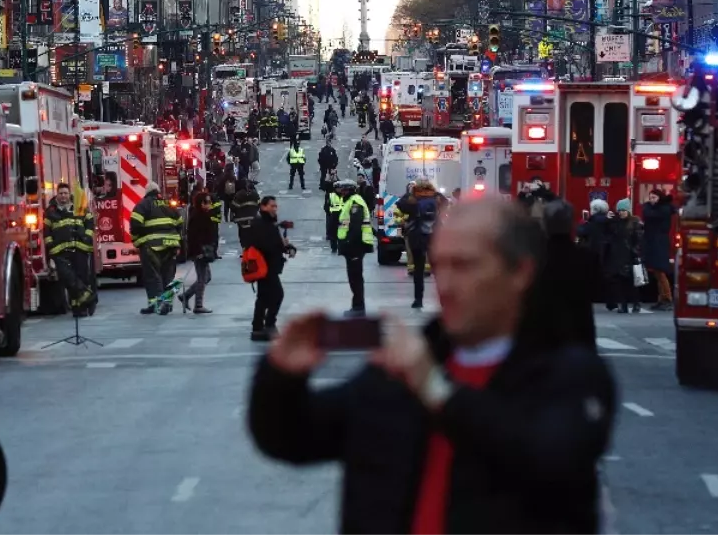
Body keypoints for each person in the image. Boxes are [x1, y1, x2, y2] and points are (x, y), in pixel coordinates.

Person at [248, 199, 616, 535]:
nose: (447, 283)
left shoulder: (566, 373)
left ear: (519, 272)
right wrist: (282, 376)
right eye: (439, 264)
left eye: (465, 265)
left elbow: (548, 458)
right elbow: (291, 437)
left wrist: (433, 388)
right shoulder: (399, 374)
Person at [536, 199, 598, 349]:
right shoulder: (586, 256)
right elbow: (599, 290)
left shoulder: (535, 257)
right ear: (572, 225)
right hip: (580, 333)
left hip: (542, 335)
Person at [130, 182, 183, 314]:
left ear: (146, 193)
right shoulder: (168, 205)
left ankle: (157, 304)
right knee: (169, 277)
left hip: (151, 246)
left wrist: (137, 242)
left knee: (153, 277)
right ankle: (168, 303)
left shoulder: (143, 205)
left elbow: (135, 225)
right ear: (158, 192)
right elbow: (180, 223)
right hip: (170, 245)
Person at [43, 183, 96, 313]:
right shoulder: (50, 211)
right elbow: (46, 231)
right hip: (60, 251)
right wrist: (51, 246)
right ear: (57, 195)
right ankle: (88, 295)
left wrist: (87, 236)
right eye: (61, 193)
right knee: (68, 279)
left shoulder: (79, 207)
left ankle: (79, 309)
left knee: (81, 276)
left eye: (65, 193)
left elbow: (90, 221)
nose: (63, 196)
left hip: (80, 248)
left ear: (69, 194)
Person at [249, 195, 296, 341]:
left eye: (275, 206)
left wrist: (287, 247)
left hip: (269, 266)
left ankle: (258, 328)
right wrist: (283, 246)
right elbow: (267, 245)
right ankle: (268, 324)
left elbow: (274, 242)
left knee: (263, 297)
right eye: (271, 206)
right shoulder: (261, 223)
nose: (274, 209)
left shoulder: (269, 222)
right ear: (263, 207)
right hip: (265, 266)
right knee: (277, 295)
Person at [398, 178, 444, 310]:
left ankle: (418, 300)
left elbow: (401, 205)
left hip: (417, 236)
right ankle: (443, 300)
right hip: (435, 236)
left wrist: (411, 191)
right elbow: (446, 205)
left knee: (418, 270)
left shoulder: (413, 198)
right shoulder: (436, 197)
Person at [337, 177, 374, 316]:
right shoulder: (350, 201)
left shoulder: (354, 203)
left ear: (350, 190)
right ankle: (357, 305)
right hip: (353, 246)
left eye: (344, 189)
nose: (341, 192)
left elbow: (356, 226)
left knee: (355, 277)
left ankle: (358, 307)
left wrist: (348, 243)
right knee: (354, 277)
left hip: (355, 245)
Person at [179, 191, 216, 314]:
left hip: (204, 251)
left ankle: (186, 295)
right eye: (207, 202)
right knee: (202, 278)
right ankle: (198, 305)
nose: (210, 204)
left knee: (207, 277)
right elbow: (194, 237)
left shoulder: (204, 215)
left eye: (210, 201)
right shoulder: (197, 217)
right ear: (201, 203)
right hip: (200, 252)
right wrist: (199, 251)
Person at [640, 189, 675, 311]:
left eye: (654, 197)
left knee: (660, 272)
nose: (651, 200)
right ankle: (662, 298)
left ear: (659, 198)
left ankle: (667, 299)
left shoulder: (663, 210)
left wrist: (647, 206)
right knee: (657, 272)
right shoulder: (662, 208)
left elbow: (648, 214)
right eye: (650, 197)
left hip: (658, 243)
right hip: (656, 242)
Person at [607, 199, 642, 314]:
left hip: (630, 256)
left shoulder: (635, 222)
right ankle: (624, 305)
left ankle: (636, 303)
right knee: (621, 282)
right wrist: (609, 219)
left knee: (632, 282)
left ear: (628, 211)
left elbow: (639, 240)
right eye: (619, 210)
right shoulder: (616, 222)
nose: (621, 212)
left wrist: (635, 252)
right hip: (618, 255)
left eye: (623, 210)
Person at [232, 179, 261, 245]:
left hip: (241, 219)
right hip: (253, 218)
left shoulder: (239, 194)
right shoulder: (255, 194)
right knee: (252, 235)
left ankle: (245, 250)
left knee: (243, 235)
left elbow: (234, 206)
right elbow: (259, 204)